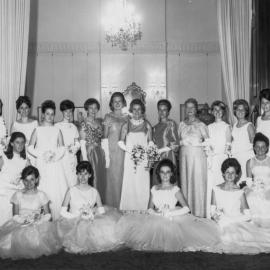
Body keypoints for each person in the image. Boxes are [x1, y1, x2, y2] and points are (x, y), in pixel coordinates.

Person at [117, 159, 220, 252]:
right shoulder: (154, 189)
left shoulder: (175, 189)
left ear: (171, 174)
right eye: (162, 172)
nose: (165, 175)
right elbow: (149, 209)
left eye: (167, 172)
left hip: (173, 218)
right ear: (158, 174)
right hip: (156, 217)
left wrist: (170, 213)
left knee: (175, 237)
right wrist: (158, 214)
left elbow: (186, 208)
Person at [57, 161, 122, 254]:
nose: (82, 177)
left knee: (108, 233)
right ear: (77, 175)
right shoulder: (71, 190)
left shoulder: (94, 191)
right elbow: (62, 212)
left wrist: (92, 214)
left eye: (85, 174)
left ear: (90, 175)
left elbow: (101, 211)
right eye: (80, 174)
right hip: (73, 221)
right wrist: (77, 216)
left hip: (89, 221)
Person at [0, 166, 61, 259]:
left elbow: (48, 215)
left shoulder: (41, 195)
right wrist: (25, 221)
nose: (29, 183)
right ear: (23, 181)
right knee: (13, 242)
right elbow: (15, 216)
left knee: (38, 242)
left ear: (36, 179)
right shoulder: (18, 195)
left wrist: (38, 221)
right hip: (21, 224)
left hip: (37, 224)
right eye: (26, 180)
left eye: (32, 179)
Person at [211, 158, 270, 254]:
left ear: (237, 175)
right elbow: (212, 210)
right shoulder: (216, 189)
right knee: (214, 238)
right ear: (223, 174)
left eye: (233, 173)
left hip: (235, 222)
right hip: (220, 222)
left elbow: (248, 216)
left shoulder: (240, 192)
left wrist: (229, 220)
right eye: (227, 172)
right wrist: (216, 216)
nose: (230, 175)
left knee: (231, 238)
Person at [28, 100, 67, 220]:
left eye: (52, 114)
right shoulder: (37, 130)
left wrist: (55, 156)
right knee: (42, 188)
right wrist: (42, 154)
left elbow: (62, 147)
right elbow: (29, 147)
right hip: (42, 163)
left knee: (55, 191)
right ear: (43, 115)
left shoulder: (57, 130)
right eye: (47, 114)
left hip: (54, 164)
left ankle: (55, 218)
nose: (50, 116)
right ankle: (41, 218)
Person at [118, 99, 153, 211]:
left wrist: (151, 161)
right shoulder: (126, 124)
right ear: (131, 110)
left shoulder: (147, 125)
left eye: (139, 109)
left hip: (144, 159)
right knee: (130, 182)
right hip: (130, 158)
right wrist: (131, 151)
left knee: (142, 183)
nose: (137, 112)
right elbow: (120, 142)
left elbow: (151, 143)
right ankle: (128, 208)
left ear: (142, 111)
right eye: (134, 109)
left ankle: (142, 208)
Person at [178, 98, 209, 217]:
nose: (190, 110)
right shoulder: (181, 124)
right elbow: (178, 142)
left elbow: (209, 144)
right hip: (185, 159)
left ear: (196, 109)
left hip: (198, 159)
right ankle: (187, 213)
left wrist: (199, 144)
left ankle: (199, 214)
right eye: (187, 107)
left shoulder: (202, 125)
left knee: (197, 184)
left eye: (192, 107)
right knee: (186, 184)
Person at [103, 92, 129, 207]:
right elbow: (104, 137)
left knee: (124, 179)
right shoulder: (108, 117)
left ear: (123, 103)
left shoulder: (128, 117)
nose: (117, 103)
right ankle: (112, 207)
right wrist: (106, 156)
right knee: (112, 181)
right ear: (111, 104)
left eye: (120, 101)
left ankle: (124, 207)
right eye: (115, 101)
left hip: (125, 154)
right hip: (112, 154)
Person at [207, 101, 231, 217]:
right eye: (215, 110)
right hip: (212, 160)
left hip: (222, 159)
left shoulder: (226, 127)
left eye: (220, 110)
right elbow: (207, 144)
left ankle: (223, 212)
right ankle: (212, 213)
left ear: (223, 112)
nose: (217, 112)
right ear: (212, 112)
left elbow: (228, 146)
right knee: (212, 186)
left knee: (221, 184)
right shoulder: (209, 127)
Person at [79, 98, 106, 202]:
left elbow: (102, 139)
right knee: (90, 177)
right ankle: (89, 203)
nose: (93, 110)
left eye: (95, 108)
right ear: (87, 109)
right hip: (88, 154)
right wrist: (85, 159)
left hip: (99, 153)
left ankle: (99, 202)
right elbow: (82, 142)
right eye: (91, 108)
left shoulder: (99, 122)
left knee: (99, 178)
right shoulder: (83, 123)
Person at [0, 132, 28, 225]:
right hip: (3, 192)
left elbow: (29, 177)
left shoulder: (25, 160)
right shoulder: (3, 157)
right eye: (17, 142)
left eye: (22, 142)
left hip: (16, 193)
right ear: (11, 143)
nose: (20, 145)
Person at [152, 99, 179, 186]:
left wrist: (161, 150)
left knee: (169, 182)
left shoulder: (171, 124)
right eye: (160, 109)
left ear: (168, 112)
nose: (162, 112)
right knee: (158, 182)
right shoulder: (154, 127)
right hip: (157, 159)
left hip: (168, 157)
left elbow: (175, 143)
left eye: (164, 110)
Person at [246, 133, 270, 227]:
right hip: (254, 188)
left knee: (267, 199)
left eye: (263, 147)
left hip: (268, 188)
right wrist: (251, 188)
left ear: (267, 147)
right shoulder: (250, 162)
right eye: (258, 147)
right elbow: (248, 181)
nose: (260, 149)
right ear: (254, 148)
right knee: (251, 198)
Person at [55, 100, 80, 187]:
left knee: (72, 181)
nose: (68, 113)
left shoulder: (74, 127)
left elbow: (77, 143)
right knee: (62, 182)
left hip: (71, 158)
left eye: (70, 111)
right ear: (62, 111)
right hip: (61, 158)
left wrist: (74, 148)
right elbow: (54, 143)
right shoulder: (56, 126)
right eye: (66, 111)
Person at [231, 99, 255, 182]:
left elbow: (254, 144)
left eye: (243, 109)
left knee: (245, 182)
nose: (240, 111)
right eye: (238, 109)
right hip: (236, 158)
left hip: (246, 158)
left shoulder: (249, 125)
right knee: (236, 182)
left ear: (246, 111)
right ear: (235, 111)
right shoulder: (234, 125)